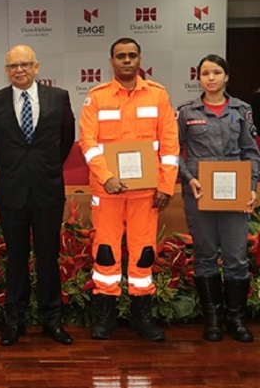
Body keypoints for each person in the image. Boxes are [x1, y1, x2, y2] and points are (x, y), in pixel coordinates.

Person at [79, 38, 179, 341]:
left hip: (146, 193)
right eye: (120, 56)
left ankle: (141, 316)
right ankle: (105, 316)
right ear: (111, 61)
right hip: (107, 191)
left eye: (131, 55)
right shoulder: (96, 98)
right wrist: (107, 177)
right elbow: (89, 143)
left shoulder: (158, 95)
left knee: (144, 253)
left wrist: (166, 185)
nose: (126, 60)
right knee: (106, 252)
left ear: (140, 59)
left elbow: (170, 145)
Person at [0, 45, 75, 346]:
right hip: (11, 192)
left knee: (49, 256)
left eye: (24, 64)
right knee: (16, 257)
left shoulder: (58, 98)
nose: (18, 70)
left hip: (48, 190)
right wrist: (17, 170)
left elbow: (66, 141)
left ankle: (52, 320)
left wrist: (43, 168)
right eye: (12, 66)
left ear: (36, 67)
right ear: (5, 70)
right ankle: (14, 320)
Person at [177, 54, 259, 343]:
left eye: (216, 72)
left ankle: (236, 319)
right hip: (200, 194)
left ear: (226, 77)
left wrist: (252, 186)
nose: (210, 78)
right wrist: (190, 179)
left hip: (235, 195)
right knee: (205, 256)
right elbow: (174, 153)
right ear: (198, 78)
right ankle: (212, 318)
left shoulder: (242, 110)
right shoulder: (186, 111)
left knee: (236, 258)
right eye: (204, 73)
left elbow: (250, 151)